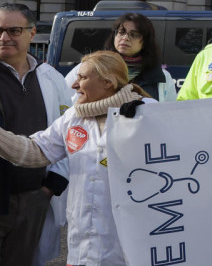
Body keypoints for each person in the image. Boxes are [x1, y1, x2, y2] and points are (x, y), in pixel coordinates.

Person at [0, 51, 151, 266]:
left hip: (126, 249)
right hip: (82, 246)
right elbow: (34, 152)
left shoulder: (145, 112)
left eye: (83, 77)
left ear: (108, 83)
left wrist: (147, 122)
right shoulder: (73, 117)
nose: (74, 84)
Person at [0, 3, 72, 266]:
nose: (4, 37)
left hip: (33, 198)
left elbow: (68, 132)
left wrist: (49, 188)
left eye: (14, 30)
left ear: (32, 33)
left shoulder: (51, 78)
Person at [65, 12, 175, 101]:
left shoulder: (161, 76)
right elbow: (65, 100)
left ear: (145, 41)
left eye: (134, 34)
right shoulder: (88, 68)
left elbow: (168, 113)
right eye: (121, 32)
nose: (125, 38)